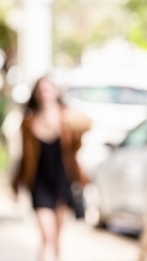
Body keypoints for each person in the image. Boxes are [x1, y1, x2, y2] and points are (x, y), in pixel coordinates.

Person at [11, 76, 91, 261]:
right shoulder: (28, 122)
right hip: (39, 184)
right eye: (41, 90)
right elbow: (24, 157)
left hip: (63, 182)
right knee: (48, 236)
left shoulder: (68, 117)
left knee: (56, 238)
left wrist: (78, 134)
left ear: (55, 92)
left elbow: (76, 149)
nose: (44, 93)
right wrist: (16, 185)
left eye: (48, 89)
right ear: (36, 94)